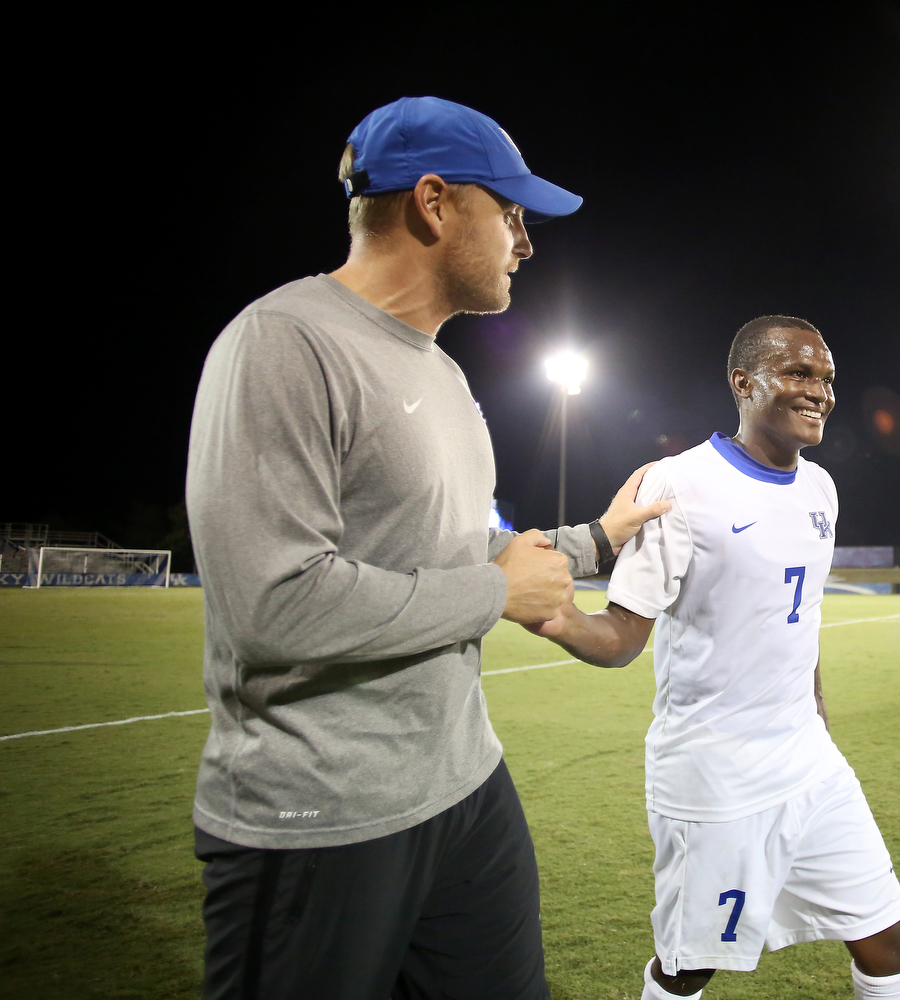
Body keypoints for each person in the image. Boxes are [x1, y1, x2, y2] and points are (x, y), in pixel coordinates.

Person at [185, 96, 668, 1000]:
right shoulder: (283, 344)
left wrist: (596, 539)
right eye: (511, 211)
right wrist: (497, 595)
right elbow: (272, 603)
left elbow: (454, 547)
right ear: (435, 202)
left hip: (464, 786)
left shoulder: (443, 372)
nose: (526, 241)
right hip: (318, 817)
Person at [532, 316, 900, 1000]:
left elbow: (799, 623)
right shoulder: (678, 485)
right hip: (716, 776)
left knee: (890, 942)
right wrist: (561, 620)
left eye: (827, 379)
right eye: (799, 374)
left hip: (808, 764)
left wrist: (817, 719)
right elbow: (623, 636)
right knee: (690, 967)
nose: (820, 393)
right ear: (744, 383)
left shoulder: (820, 488)